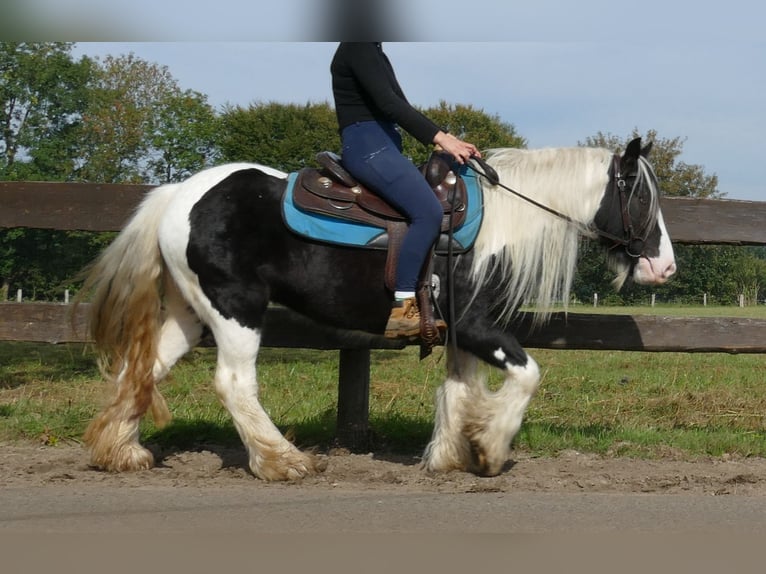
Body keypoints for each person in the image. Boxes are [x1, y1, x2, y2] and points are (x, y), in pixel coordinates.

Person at [331, 42, 482, 339]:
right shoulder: (357, 47)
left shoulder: (373, 51)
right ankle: (402, 305)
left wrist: (446, 140)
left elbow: (401, 107)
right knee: (427, 212)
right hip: (369, 148)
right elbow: (390, 104)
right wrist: (443, 139)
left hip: (383, 147)